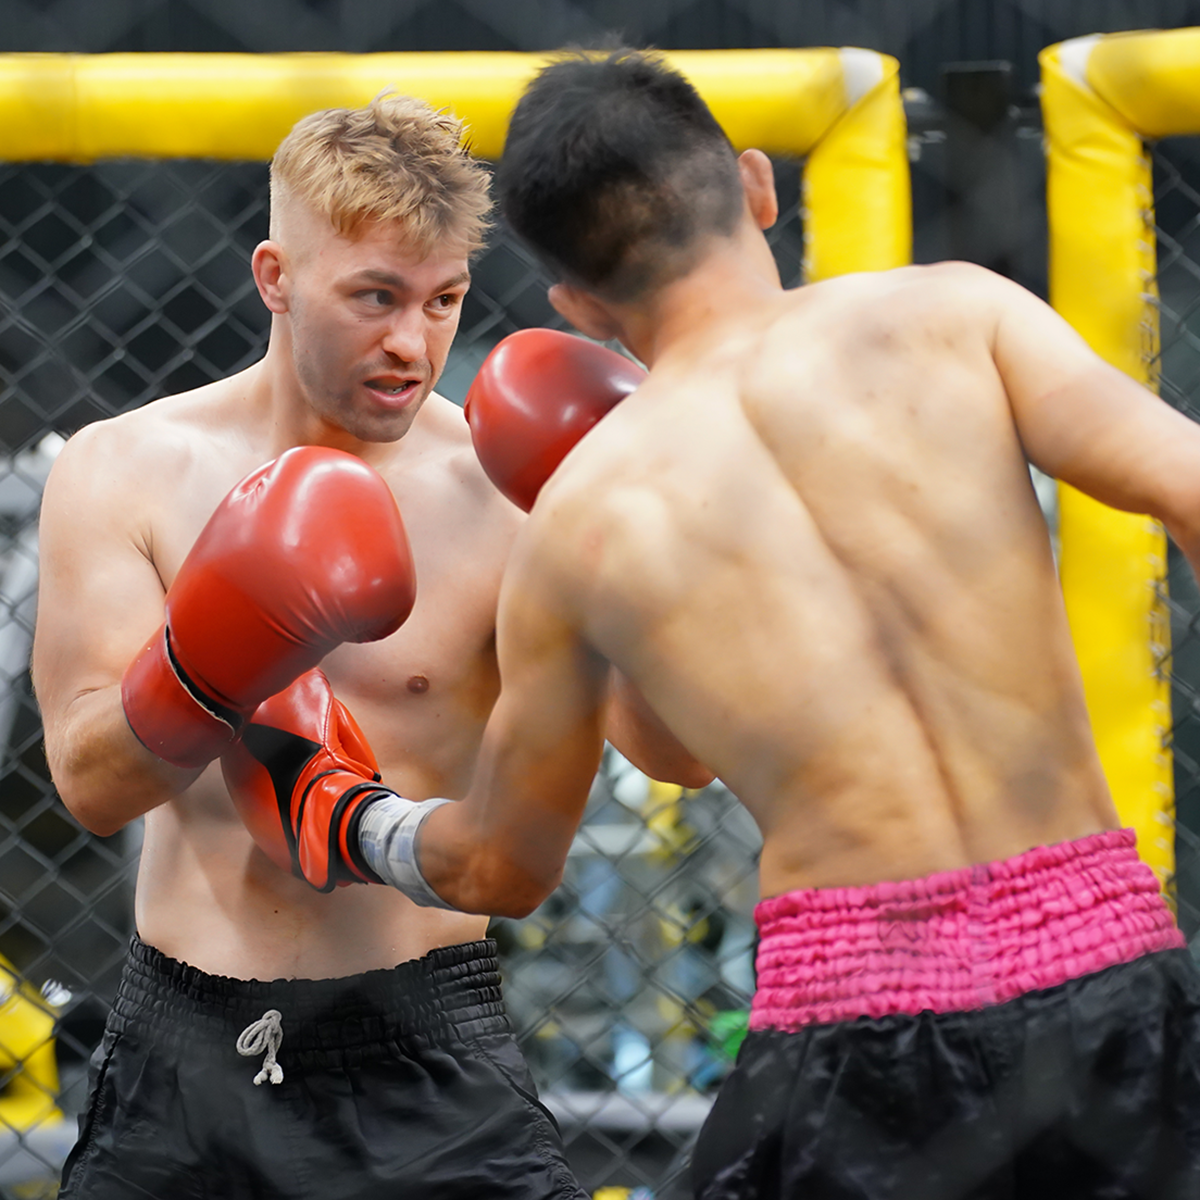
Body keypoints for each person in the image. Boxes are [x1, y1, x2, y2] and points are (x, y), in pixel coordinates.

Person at [228, 51, 1200, 1199]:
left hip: (855, 1032)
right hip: (1107, 973)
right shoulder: (957, 317)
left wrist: (352, 819)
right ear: (755, 185)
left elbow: (509, 858)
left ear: (577, 308)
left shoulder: (580, 527)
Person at [31, 91, 707, 1200]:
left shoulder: (503, 491)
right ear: (276, 278)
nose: (413, 343)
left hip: (424, 1047)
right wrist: (212, 654)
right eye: (375, 298)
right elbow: (93, 786)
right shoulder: (125, 472)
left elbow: (679, 756)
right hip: (185, 1051)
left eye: (443, 300)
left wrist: (634, 545)